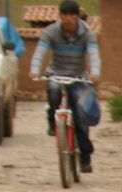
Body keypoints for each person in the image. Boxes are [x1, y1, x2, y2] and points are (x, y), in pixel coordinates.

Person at [30, 0, 97, 174]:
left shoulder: (88, 34)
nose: (68, 19)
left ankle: (85, 156)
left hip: (77, 77)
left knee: (81, 116)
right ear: (59, 16)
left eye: (72, 15)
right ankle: (52, 119)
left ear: (77, 16)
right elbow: (40, 52)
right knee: (52, 90)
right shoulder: (50, 32)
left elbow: (94, 54)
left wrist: (95, 72)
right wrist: (34, 70)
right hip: (56, 73)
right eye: (65, 15)